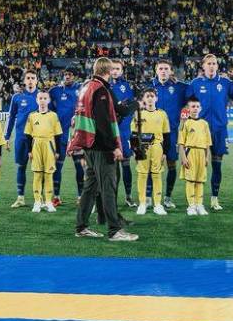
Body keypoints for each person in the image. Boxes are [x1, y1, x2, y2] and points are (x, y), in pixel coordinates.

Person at [71, 57, 139, 241]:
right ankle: (114, 231)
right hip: (101, 147)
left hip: (89, 146)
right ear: (108, 71)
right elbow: (102, 121)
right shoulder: (101, 89)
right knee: (108, 187)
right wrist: (113, 147)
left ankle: (81, 226)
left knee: (90, 188)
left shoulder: (86, 86)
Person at [186, 54, 232, 210]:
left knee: (217, 165)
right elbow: (185, 100)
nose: (212, 66)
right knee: (198, 166)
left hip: (219, 129)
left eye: (214, 63)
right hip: (200, 130)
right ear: (203, 66)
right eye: (209, 63)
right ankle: (195, 202)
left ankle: (214, 199)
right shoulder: (195, 83)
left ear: (217, 66)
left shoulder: (226, 83)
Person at [150, 60, 186, 209]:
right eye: (160, 68)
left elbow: (194, 92)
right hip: (152, 134)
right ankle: (148, 197)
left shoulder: (179, 87)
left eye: (166, 69)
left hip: (171, 133)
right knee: (151, 166)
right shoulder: (149, 87)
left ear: (171, 71)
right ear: (156, 70)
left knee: (171, 164)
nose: (163, 71)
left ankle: (168, 197)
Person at [132, 87, 171, 216]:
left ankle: (158, 204)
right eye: (147, 96)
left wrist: (165, 152)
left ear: (156, 98)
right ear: (143, 99)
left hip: (157, 147)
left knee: (157, 174)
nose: (149, 98)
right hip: (142, 146)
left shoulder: (162, 114)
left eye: (152, 96)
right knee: (142, 174)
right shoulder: (138, 113)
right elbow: (133, 133)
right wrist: (135, 149)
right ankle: (142, 203)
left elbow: (167, 135)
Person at [48, 68, 82, 206]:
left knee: (79, 167)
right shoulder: (54, 91)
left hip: (77, 135)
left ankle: (81, 196)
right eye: (65, 75)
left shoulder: (81, 89)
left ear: (74, 76)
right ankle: (56, 196)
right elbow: (49, 109)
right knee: (57, 166)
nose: (67, 76)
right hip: (60, 136)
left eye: (70, 74)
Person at [5, 69, 38, 208]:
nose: (30, 80)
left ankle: (39, 199)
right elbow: (11, 117)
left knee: (39, 169)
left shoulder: (42, 96)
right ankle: (20, 197)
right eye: (28, 78)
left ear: (36, 80)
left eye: (33, 78)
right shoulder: (17, 97)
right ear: (24, 81)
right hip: (21, 137)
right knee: (21, 167)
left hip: (38, 138)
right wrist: (6, 137)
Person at [24, 90, 62, 213]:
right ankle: (37, 202)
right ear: (37, 100)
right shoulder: (32, 116)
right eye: (40, 98)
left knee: (48, 174)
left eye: (45, 98)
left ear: (49, 100)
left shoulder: (53, 116)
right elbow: (28, 135)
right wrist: (29, 150)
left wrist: (58, 151)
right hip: (36, 145)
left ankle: (48, 202)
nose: (42, 101)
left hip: (49, 145)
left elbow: (58, 135)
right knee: (37, 174)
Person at [109, 60, 137, 206]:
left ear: (122, 70)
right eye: (112, 68)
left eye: (117, 69)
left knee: (126, 164)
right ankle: (111, 197)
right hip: (109, 131)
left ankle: (128, 196)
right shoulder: (105, 85)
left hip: (125, 131)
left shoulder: (127, 86)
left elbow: (132, 106)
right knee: (111, 167)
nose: (114, 71)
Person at [178, 96, 211, 216]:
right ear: (188, 108)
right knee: (191, 180)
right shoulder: (185, 123)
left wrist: (207, 157)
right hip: (190, 153)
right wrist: (183, 158)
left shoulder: (204, 124)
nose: (195, 109)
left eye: (197, 106)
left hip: (202, 153)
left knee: (200, 180)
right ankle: (191, 206)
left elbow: (208, 143)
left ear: (200, 108)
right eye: (193, 106)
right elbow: (181, 143)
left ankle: (199, 204)